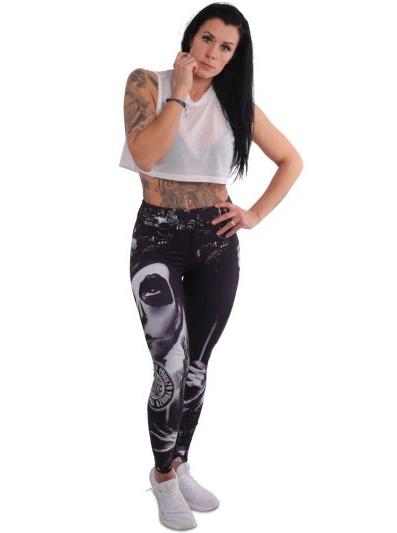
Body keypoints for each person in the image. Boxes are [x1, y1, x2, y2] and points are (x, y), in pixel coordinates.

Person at [119, 2, 303, 529]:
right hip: (158, 238)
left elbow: (291, 160)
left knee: (197, 366)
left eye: (226, 48)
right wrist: (180, 91)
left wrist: (254, 214)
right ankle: (162, 477)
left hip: (216, 242)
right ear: (191, 36)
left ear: (235, 56)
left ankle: (180, 463)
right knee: (170, 366)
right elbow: (146, 155)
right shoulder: (147, 83)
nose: (213, 53)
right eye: (207, 39)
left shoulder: (237, 103)